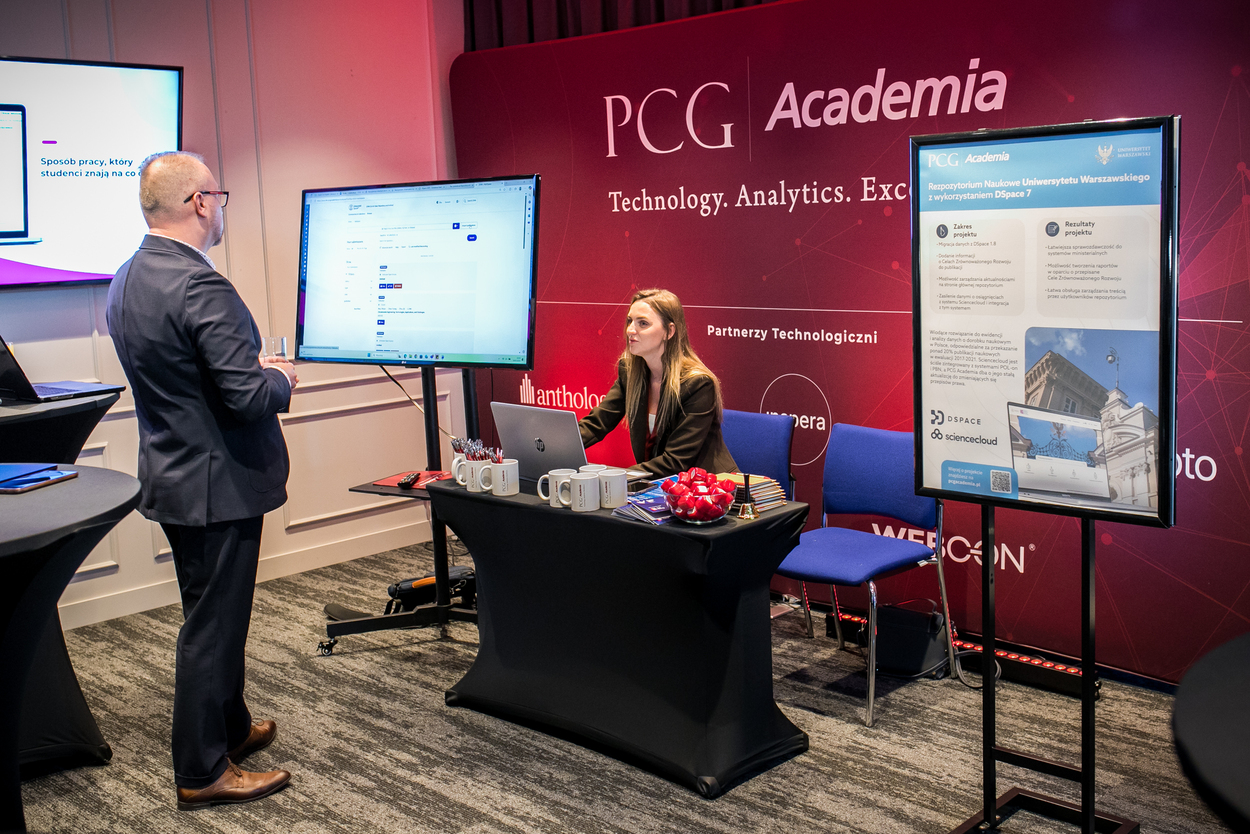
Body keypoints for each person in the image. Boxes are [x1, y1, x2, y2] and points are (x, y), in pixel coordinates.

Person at [106, 151, 297, 810]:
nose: (220, 208)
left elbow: (190, 381)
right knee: (213, 628)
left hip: (175, 476)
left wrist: (248, 371)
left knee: (211, 615)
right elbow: (247, 398)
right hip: (220, 485)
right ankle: (202, 769)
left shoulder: (127, 277)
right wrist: (279, 377)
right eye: (219, 196)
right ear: (200, 203)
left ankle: (231, 727)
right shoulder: (200, 285)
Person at [579, 288, 737, 476]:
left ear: (669, 331)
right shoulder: (629, 372)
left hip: (708, 486)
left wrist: (617, 478)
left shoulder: (698, 384)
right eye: (630, 321)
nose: (630, 330)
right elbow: (597, 424)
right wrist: (557, 445)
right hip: (659, 485)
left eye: (643, 323)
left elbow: (675, 461)